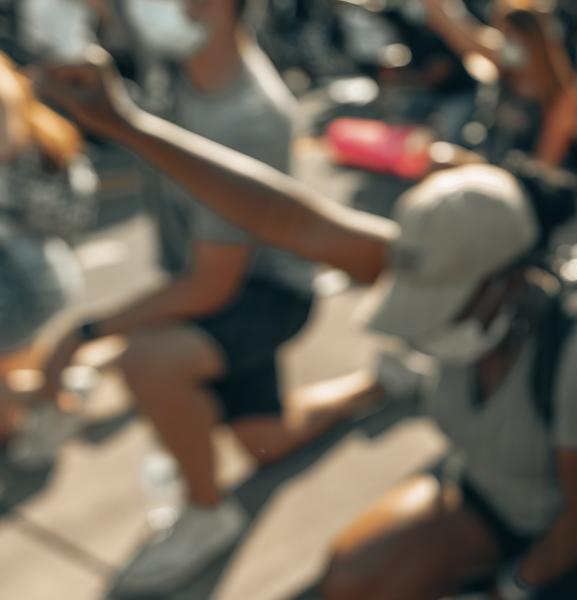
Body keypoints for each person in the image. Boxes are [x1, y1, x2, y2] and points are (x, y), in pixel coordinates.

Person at [39, 48, 577, 600]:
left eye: (444, 302)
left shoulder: (576, 354)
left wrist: (514, 589)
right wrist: (126, 125)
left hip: (545, 529)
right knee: (346, 575)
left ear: (509, 276)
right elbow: (289, 218)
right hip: (476, 487)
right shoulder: (438, 255)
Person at [35, 1, 376, 594]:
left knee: (149, 361)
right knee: (266, 442)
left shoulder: (247, 115)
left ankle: (205, 509)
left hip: (261, 294)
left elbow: (212, 285)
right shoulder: (181, 62)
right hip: (224, 282)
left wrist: (85, 334)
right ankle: (378, 384)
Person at [0, 51, 92, 466]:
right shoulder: (40, 124)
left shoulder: (21, 138)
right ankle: (58, 387)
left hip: (25, 279)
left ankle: (51, 402)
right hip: (41, 267)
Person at [424, 0, 577, 168]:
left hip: (528, 183)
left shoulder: (561, 97)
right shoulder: (504, 71)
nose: (507, 44)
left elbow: (544, 164)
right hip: (485, 168)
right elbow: (458, 30)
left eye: (513, 36)